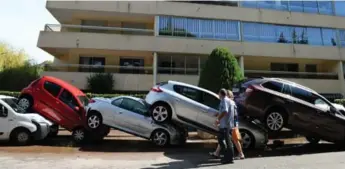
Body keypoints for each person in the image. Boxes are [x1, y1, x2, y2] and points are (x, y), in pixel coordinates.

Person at [209, 90, 245, 160]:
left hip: (232, 124)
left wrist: (235, 124)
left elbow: (233, 114)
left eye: (228, 95)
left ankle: (241, 154)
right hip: (232, 123)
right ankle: (216, 153)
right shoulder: (231, 102)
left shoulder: (230, 102)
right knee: (224, 139)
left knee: (234, 140)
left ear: (229, 95)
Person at [214, 88, 234, 164]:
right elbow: (224, 111)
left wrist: (218, 119)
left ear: (220, 93)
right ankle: (227, 157)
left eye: (218, 94)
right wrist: (218, 114)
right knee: (223, 140)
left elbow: (225, 111)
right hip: (225, 125)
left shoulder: (224, 100)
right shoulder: (228, 101)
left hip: (226, 125)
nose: (218, 95)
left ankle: (229, 158)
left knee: (226, 141)